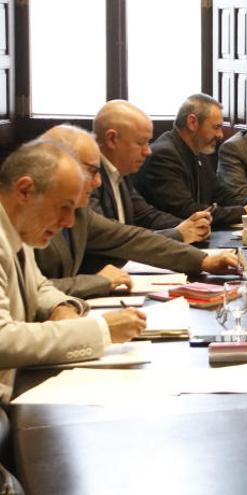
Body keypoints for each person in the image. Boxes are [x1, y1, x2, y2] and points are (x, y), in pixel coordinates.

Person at [0, 139, 145, 402]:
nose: (68, 222)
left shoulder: (18, 225)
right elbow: (2, 340)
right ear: (24, 190)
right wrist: (100, 330)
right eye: (63, 207)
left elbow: (40, 286)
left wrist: (61, 307)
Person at [34, 125, 240, 300]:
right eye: (91, 171)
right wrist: (97, 282)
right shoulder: (19, 217)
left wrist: (203, 260)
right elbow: (29, 292)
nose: (97, 182)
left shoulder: (80, 212)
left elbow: (132, 239)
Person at [133, 93, 247, 226]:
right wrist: (243, 211)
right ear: (192, 122)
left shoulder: (199, 151)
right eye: (216, 127)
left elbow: (220, 195)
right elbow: (186, 210)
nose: (220, 135)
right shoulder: (164, 155)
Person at [91, 100, 211, 244]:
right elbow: (109, 237)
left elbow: (147, 215)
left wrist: (190, 226)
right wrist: (177, 233)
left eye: (148, 142)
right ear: (112, 139)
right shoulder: (89, 178)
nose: (148, 151)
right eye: (141, 143)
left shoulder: (120, 173)